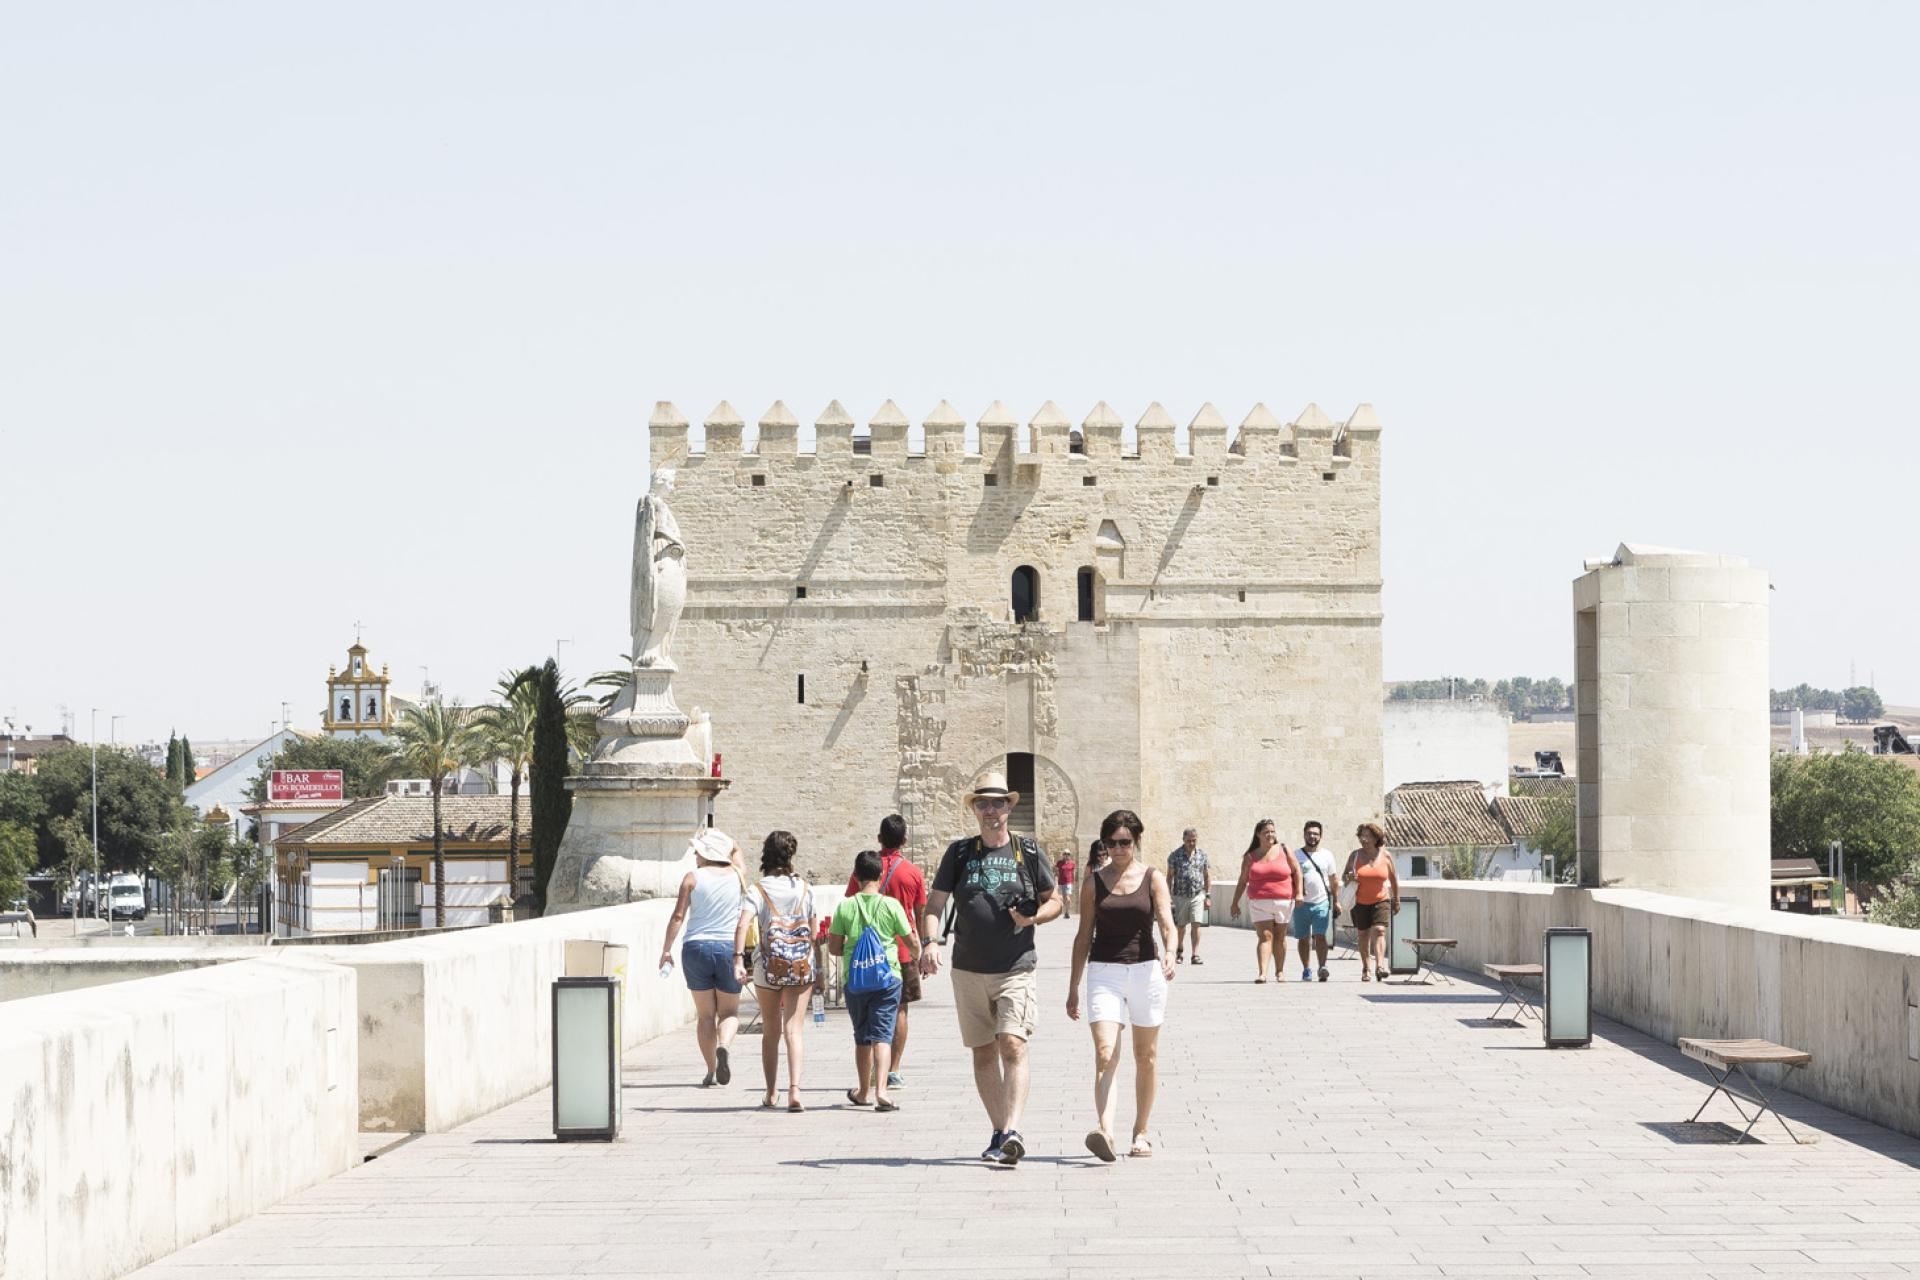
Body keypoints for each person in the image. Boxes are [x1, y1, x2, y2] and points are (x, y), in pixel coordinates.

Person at [921, 771, 1061, 1166]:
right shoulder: (960, 853)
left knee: (1012, 1043)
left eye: (998, 802)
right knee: (983, 1053)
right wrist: (930, 942)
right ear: (974, 809)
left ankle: (1012, 1128)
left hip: (1015, 966)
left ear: (1010, 807)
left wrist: (1032, 920)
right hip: (967, 969)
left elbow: (1055, 902)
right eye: (983, 803)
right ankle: (1001, 1133)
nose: (991, 810)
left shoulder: (1028, 852)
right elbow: (933, 907)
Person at [1068, 809, 1176, 1161]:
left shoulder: (1152, 877)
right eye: (1111, 843)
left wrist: (1171, 952)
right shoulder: (1092, 883)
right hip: (1104, 972)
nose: (1117, 849)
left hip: (1146, 970)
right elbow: (1083, 936)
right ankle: (1105, 1130)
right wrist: (1073, 987)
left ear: (1136, 841)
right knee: (1104, 1052)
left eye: (1124, 842)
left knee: (1145, 1056)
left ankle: (1141, 1131)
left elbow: (1166, 921)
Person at [830, 849, 923, 1112]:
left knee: (861, 1036)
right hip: (888, 977)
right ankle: (882, 1091)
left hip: (855, 979)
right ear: (880, 876)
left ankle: (862, 1091)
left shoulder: (845, 906)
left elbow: (835, 948)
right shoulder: (891, 905)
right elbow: (910, 941)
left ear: (856, 876)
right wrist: (918, 957)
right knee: (882, 1035)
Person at [656, 829, 751, 1087]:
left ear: (707, 854)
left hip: (695, 949)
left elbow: (678, 917)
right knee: (729, 1012)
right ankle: (724, 1046)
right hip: (727, 949)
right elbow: (737, 851)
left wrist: (666, 950)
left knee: (705, 1015)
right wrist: (724, 839)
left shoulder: (692, 878)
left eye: (698, 851)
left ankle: (710, 1070)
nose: (696, 855)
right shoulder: (738, 875)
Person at [846, 814, 926, 1089]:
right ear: (904, 840)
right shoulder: (913, 872)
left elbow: (850, 903)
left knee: (865, 1013)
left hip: (863, 955)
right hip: (901, 952)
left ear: (879, 838)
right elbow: (919, 913)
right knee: (899, 1010)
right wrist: (923, 949)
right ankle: (892, 1069)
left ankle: (869, 1073)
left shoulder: (865, 868)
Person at [751, 830, 819, 1110]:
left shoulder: (758, 888)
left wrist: (735, 958)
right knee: (794, 1030)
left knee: (771, 1030)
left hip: (768, 966)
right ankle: (795, 1091)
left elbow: (743, 924)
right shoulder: (804, 888)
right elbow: (814, 931)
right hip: (800, 964)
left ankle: (770, 1092)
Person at [1228, 818, 1302, 983]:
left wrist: (1299, 893)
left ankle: (1280, 971)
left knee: (1280, 936)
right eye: (1266, 832)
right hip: (1259, 901)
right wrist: (1235, 903)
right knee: (1265, 936)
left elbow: (1297, 871)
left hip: (1284, 900)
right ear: (1258, 835)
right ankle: (1262, 973)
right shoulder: (1250, 857)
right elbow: (1242, 881)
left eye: (1272, 831)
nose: (1270, 835)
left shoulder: (1284, 849)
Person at [1344, 822, 1400, 982]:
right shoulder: (1355, 856)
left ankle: (1380, 966)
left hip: (1381, 899)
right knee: (1363, 935)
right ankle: (1366, 967)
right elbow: (1345, 877)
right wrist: (1350, 877)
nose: (1364, 839)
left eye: (1368, 836)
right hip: (1360, 902)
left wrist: (1397, 899)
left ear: (1377, 838)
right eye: (1362, 836)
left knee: (1380, 930)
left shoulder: (1386, 856)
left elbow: (1394, 880)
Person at [1291, 820, 1339, 982]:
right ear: (1304, 834)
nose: (1312, 836)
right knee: (1303, 938)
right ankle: (1306, 969)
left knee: (1320, 936)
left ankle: (1322, 966)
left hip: (1322, 902)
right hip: (1301, 904)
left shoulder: (1327, 855)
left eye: (1316, 834)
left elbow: (1333, 879)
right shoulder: (1295, 855)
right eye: (1309, 833)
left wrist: (1336, 901)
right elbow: (1289, 877)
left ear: (1321, 836)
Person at [1165, 827, 1211, 965]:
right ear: (1183, 840)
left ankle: (1195, 954)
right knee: (1181, 926)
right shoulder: (1175, 855)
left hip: (1197, 895)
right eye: (1189, 840)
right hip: (1180, 896)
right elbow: (1169, 877)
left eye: (1194, 840)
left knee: (1197, 924)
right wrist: (1168, 897)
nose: (1192, 843)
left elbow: (1207, 876)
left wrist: (1208, 895)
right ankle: (1179, 950)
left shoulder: (1202, 855)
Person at [1055, 850, 1077, 919]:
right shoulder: (1059, 863)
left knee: (1068, 898)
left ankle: (1067, 912)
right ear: (1063, 855)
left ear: (1070, 855)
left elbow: (1074, 873)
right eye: (1065, 854)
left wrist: (1073, 881)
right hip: (1060, 883)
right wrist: (1056, 882)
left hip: (1068, 882)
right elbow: (1056, 873)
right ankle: (1063, 912)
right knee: (1063, 898)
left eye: (1068, 854)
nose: (1066, 855)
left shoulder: (1072, 863)